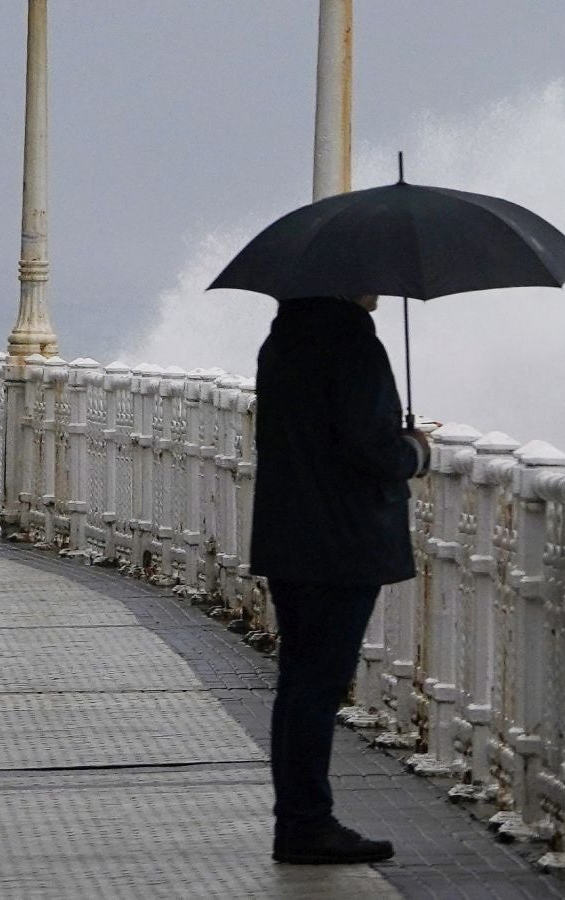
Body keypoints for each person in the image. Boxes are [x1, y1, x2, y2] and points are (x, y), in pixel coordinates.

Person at [248, 294, 428, 865]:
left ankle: (298, 819)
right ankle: (306, 824)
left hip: (289, 535)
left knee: (299, 683)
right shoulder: (352, 344)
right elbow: (368, 448)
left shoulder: (281, 341)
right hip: (340, 542)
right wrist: (413, 452)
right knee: (318, 685)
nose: (377, 288)